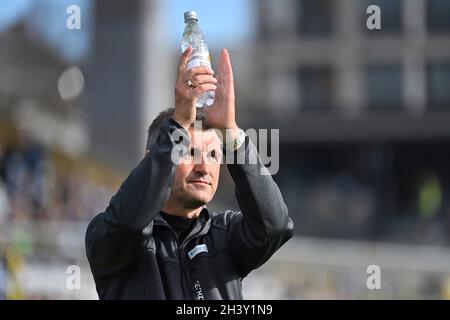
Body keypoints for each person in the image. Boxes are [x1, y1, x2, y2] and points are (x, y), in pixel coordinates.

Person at [85, 46, 294, 300]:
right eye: (190, 152)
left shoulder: (225, 234)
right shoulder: (113, 235)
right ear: (154, 160)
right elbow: (128, 220)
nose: (204, 167)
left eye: (214, 155)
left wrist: (230, 132)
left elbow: (275, 227)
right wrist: (179, 124)